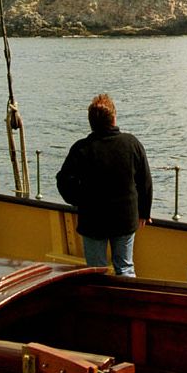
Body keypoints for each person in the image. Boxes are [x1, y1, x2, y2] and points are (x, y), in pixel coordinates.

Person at [56, 93, 153, 277]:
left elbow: (63, 180)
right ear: (114, 119)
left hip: (93, 219)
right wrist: (144, 212)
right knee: (125, 267)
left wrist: (79, 200)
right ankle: (128, 304)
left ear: (91, 122)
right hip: (125, 218)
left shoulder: (81, 148)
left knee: (96, 270)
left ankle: (100, 303)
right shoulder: (131, 143)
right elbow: (145, 180)